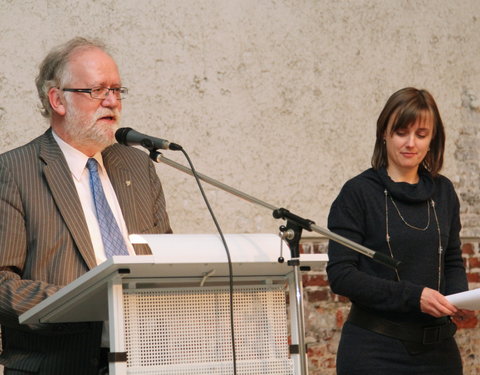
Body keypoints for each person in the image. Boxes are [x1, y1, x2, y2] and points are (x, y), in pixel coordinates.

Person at [0, 37, 172, 374]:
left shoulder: (138, 167)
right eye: (97, 91)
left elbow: (163, 260)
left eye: (117, 90)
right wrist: (83, 302)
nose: (112, 102)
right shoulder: (14, 172)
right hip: (60, 363)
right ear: (58, 100)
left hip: (144, 360)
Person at [327, 87, 471, 375]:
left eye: (421, 134)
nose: (410, 143)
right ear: (384, 133)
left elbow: (452, 258)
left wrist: (459, 299)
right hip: (374, 351)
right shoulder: (357, 193)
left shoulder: (443, 192)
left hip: (438, 353)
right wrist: (413, 296)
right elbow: (342, 275)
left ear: (433, 139)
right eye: (401, 132)